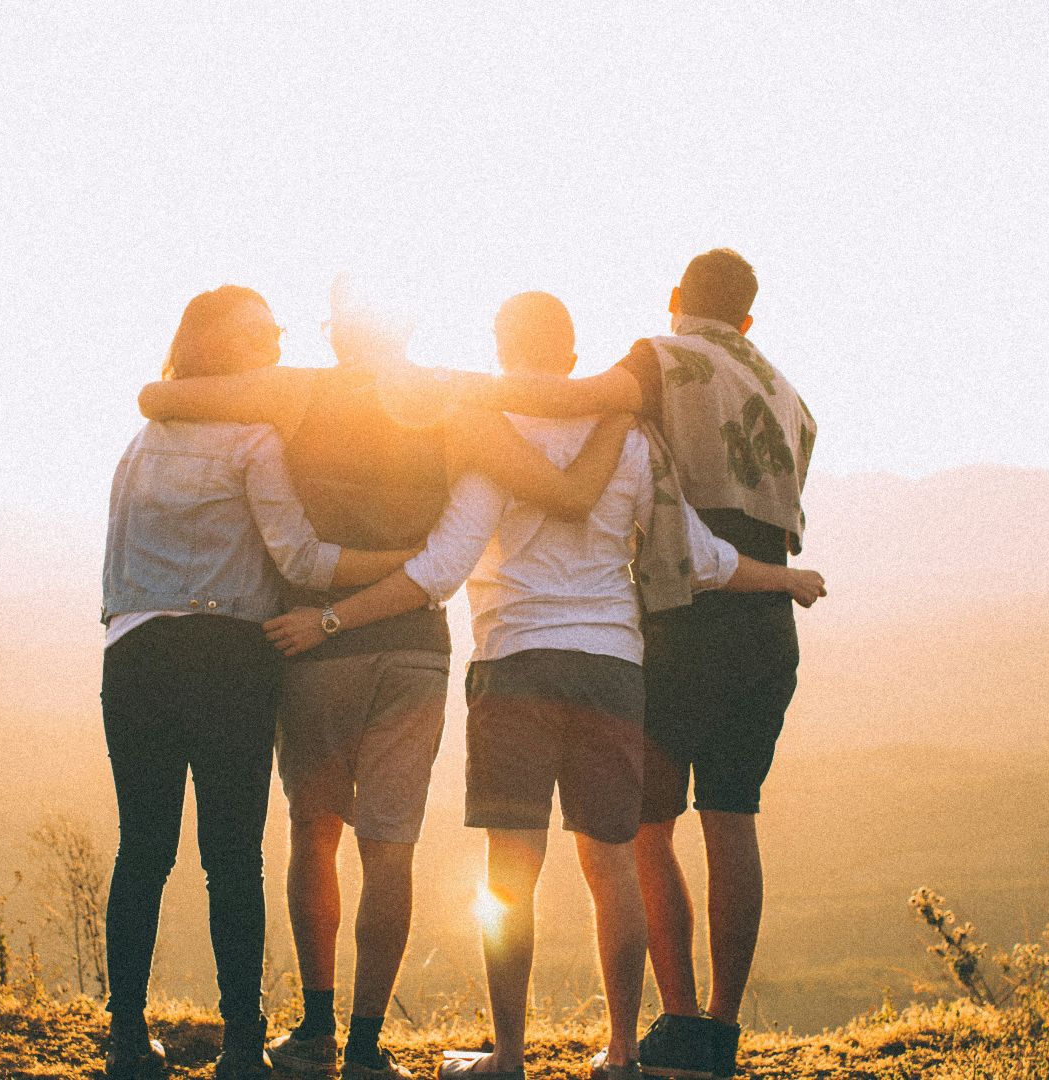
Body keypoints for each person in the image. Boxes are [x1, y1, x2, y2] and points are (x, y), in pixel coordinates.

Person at [265, 292, 825, 1080]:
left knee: (511, 872)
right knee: (613, 865)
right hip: (612, 667)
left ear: (501, 350)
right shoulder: (630, 438)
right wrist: (785, 577)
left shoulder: (492, 436)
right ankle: (622, 1054)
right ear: (572, 356)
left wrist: (334, 618)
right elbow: (698, 556)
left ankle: (509, 1055)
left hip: (515, 664)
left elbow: (442, 568)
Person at [137, 280, 631, 1080]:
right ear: (407, 326)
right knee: (389, 849)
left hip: (313, 643)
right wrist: (620, 404)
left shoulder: (294, 391)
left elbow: (159, 397)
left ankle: (316, 1033)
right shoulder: (455, 401)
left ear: (337, 332)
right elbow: (567, 491)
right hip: (414, 649)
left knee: (314, 834)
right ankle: (368, 1048)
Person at [464, 251, 818, 1079]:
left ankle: (677, 1022)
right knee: (733, 816)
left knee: (646, 830)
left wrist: (453, 392)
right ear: (749, 318)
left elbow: (572, 399)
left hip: (683, 614)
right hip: (765, 616)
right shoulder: (789, 395)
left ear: (674, 299)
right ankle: (719, 1032)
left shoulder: (661, 359)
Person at [99, 286, 419, 1080]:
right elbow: (301, 558)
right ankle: (242, 1043)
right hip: (229, 657)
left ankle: (128, 1040)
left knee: (142, 849)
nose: (277, 342)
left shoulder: (141, 443)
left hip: (134, 654)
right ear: (228, 348)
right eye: (263, 332)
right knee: (233, 856)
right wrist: (407, 565)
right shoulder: (253, 439)